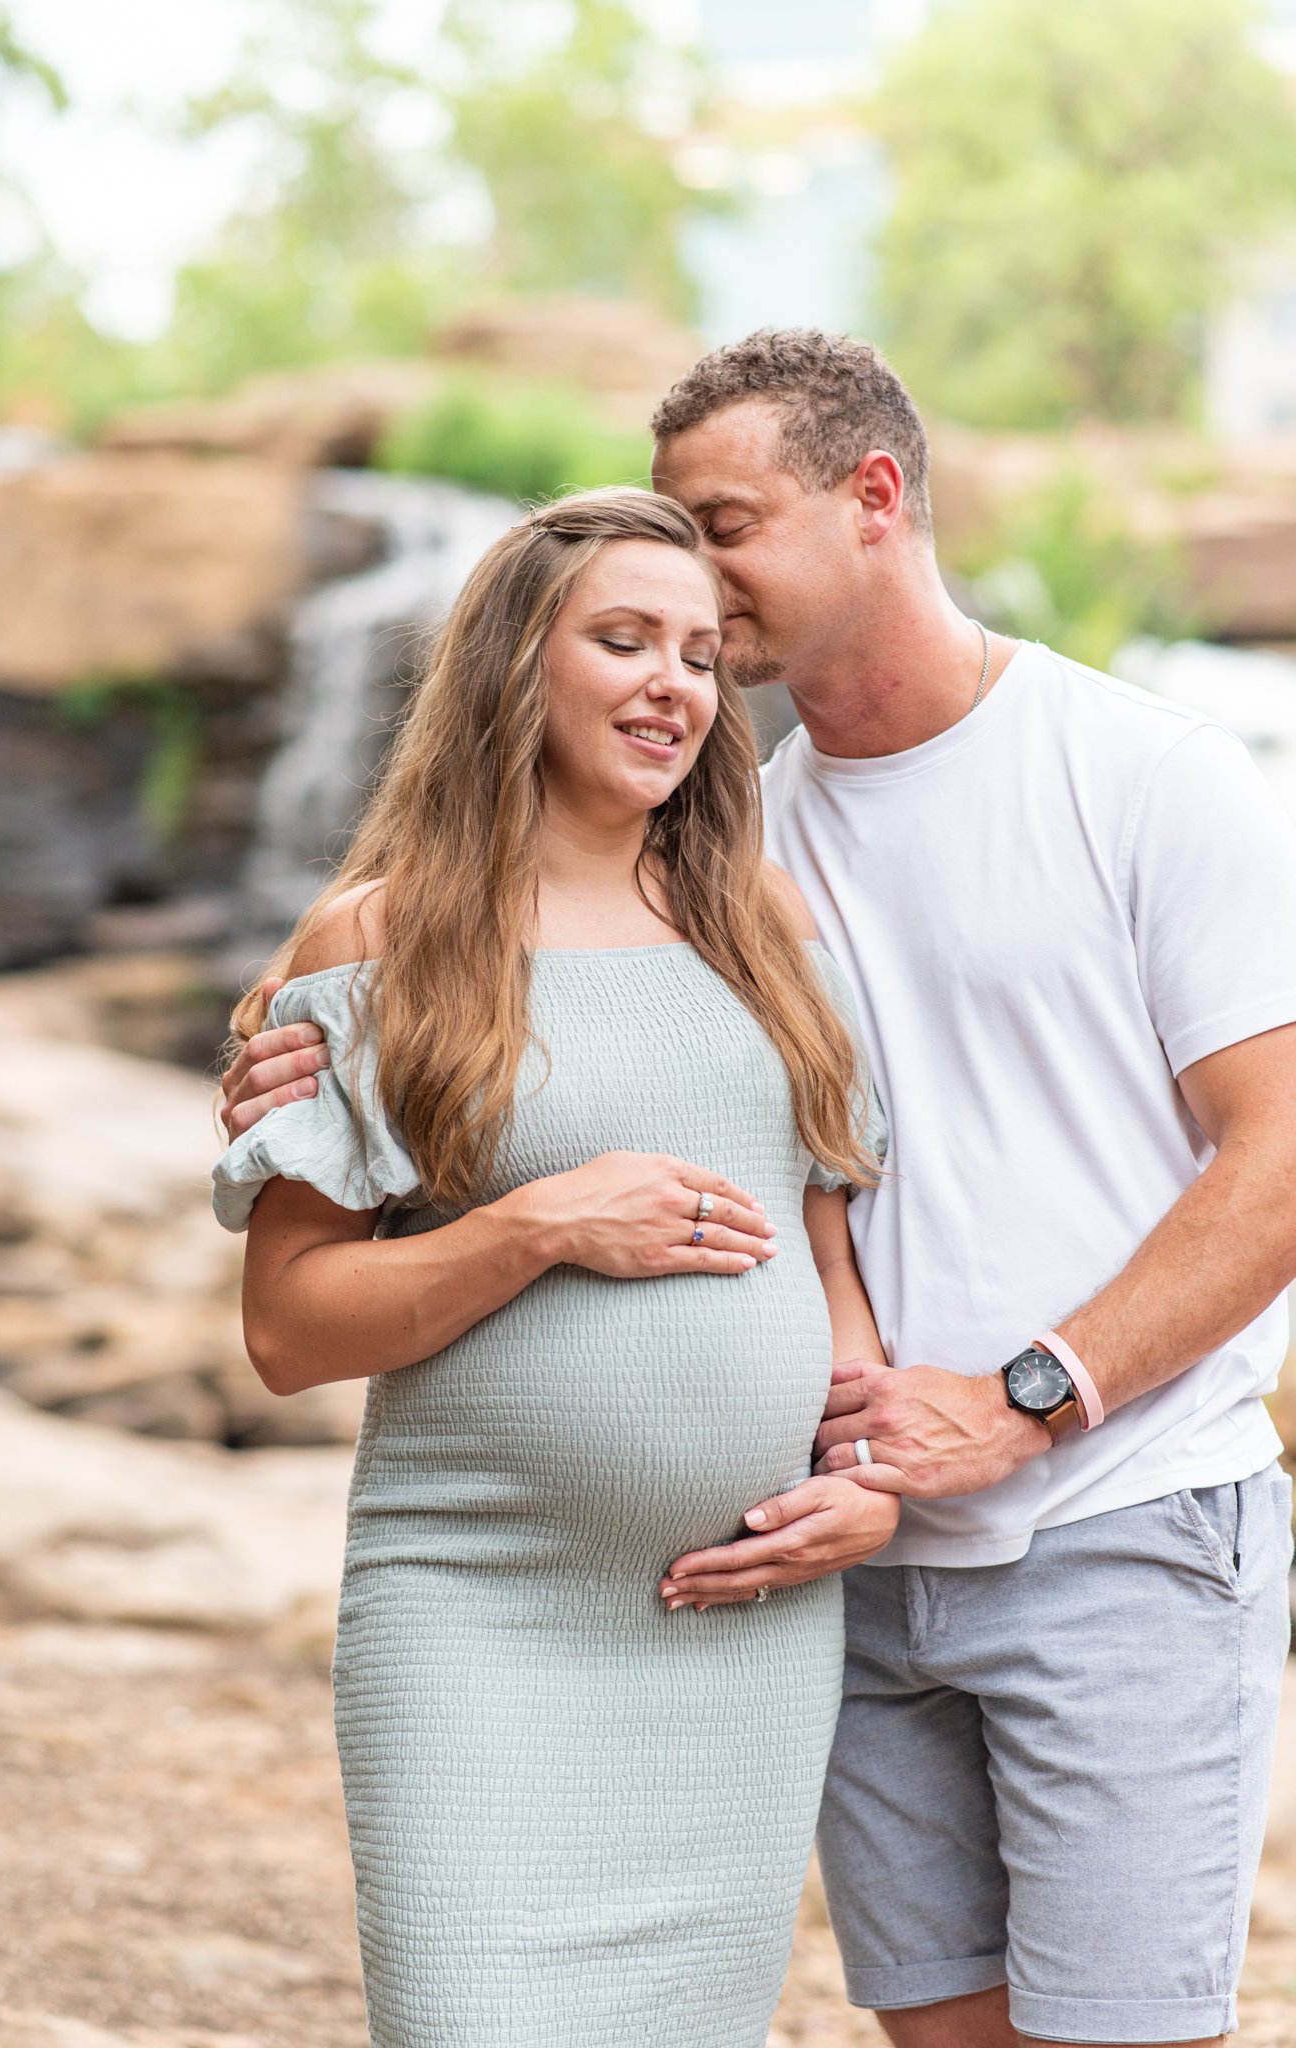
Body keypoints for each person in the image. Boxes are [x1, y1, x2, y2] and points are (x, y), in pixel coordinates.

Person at [226, 334, 1296, 2048]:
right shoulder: (741, 847)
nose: (694, 620)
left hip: (1102, 1512)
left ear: (875, 499)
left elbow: (1281, 1153)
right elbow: (420, 1103)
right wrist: (318, 1065)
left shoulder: (1130, 776)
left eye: (721, 535)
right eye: (638, 613)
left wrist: (1021, 1404)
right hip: (802, 1577)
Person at [211, 486, 897, 2048]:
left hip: (740, 1631)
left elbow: (831, 1259)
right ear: (520, 661)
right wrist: (539, 1224)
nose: (676, 683)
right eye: (626, 640)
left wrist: (865, 1472)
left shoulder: (763, 927)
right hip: (477, 1612)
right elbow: (290, 1331)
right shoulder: (380, 943)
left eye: (705, 656)